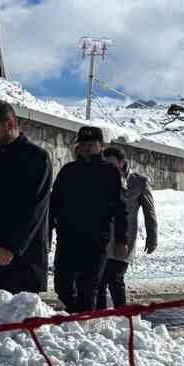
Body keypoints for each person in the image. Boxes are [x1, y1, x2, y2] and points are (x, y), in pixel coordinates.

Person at [0, 100, 53, 295]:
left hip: (21, 260)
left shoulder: (37, 157)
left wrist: (12, 246)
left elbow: (34, 208)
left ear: (9, 124)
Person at [50, 126, 128, 314]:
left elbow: (119, 207)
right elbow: (54, 204)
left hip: (96, 240)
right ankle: (74, 315)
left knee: (88, 288)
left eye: (91, 144)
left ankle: (84, 325)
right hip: (68, 238)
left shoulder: (109, 172)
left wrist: (121, 239)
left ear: (101, 146)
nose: (86, 148)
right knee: (62, 286)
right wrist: (47, 231)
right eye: (83, 144)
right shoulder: (69, 170)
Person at [96, 146, 157, 309]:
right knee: (99, 280)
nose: (107, 167)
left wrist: (152, 237)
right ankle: (100, 318)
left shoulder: (139, 182)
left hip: (124, 239)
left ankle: (122, 316)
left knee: (115, 278)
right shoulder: (100, 178)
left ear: (122, 163)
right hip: (102, 237)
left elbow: (149, 211)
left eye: (111, 163)